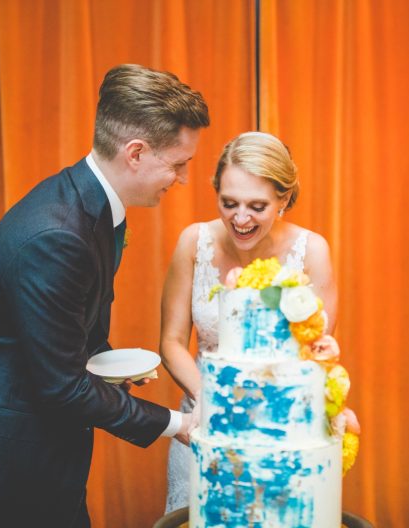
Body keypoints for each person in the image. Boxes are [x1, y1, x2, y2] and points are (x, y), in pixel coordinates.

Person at [0, 64, 210, 527]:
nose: (181, 179)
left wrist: (109, 366)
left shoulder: (89, 204)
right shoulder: (58, 233)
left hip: (40, 442)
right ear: (135, 153)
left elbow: (73, 332)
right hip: (10, 456)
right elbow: (60, 386)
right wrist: (177, 425)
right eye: (178, 164)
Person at [159, 131, 338, 512]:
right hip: (203, 424)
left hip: (279, 437)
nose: (240, 219)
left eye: (257, 206)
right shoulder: (194, 242)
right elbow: (172, 341)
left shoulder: (312, 251)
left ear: (284, 199)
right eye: (229, 203)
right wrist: (208, 396)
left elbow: (315, 352)